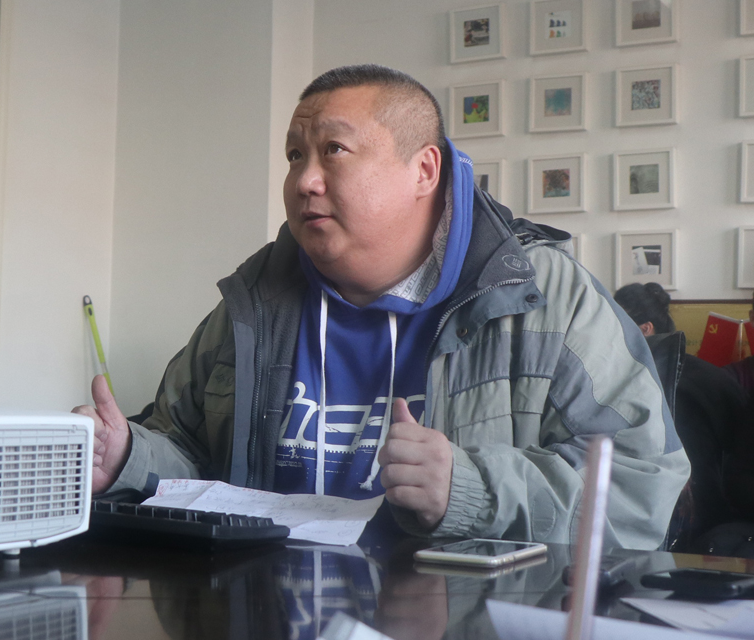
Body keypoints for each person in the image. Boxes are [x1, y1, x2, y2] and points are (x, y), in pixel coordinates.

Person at [75, 64, 690, 549]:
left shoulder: (541, 296)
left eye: (334, 150)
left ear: (423, 170)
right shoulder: (258, 298)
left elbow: (641, 491)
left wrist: (470, 488)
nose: (304, 180)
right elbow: (185, 445)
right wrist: (127, 455)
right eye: (295, 156)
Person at [613, 282, 747, 547]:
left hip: (677, 520)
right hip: (708, 519)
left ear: (645, 329)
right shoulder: (711, 376)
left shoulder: (640, 383)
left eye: (613, 324)